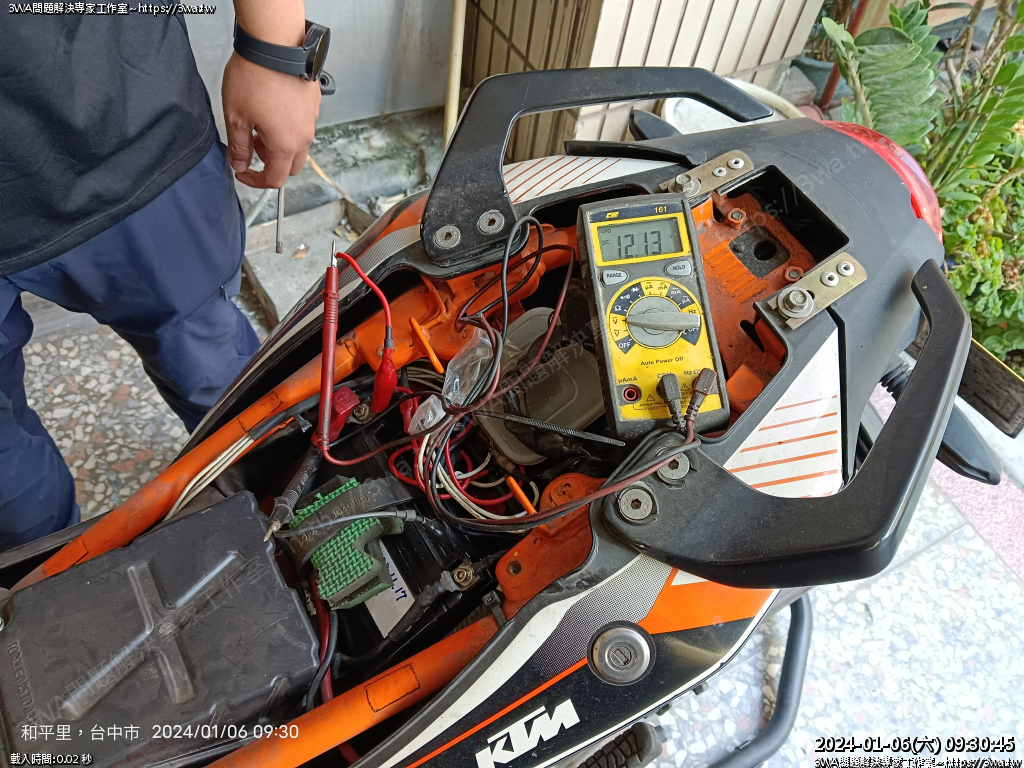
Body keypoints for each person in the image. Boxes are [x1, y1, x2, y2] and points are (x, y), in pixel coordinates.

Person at [0, 2, 323, 549]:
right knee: (6, 478)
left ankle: (296, 523)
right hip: (123, 116)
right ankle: (45, 580)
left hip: (118, 112)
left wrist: (277, 49)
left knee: (220, 378)